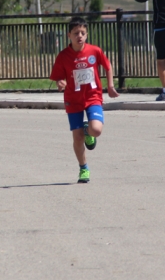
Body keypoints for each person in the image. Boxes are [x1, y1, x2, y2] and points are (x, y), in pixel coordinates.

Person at [50, 17, 120, 183]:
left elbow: (108, 66)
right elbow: (58, 78)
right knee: (77, 137)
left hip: (92, 96)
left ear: (86, 34)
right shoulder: (63, 56)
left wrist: (110, 86)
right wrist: (61, 83)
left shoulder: (94, 51)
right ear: (69, 35)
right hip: (72, 100)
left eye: (82, 33)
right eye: (76, 33)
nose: (79, 36)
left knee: (96, 130)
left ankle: (90, 131)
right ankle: (83, 168)